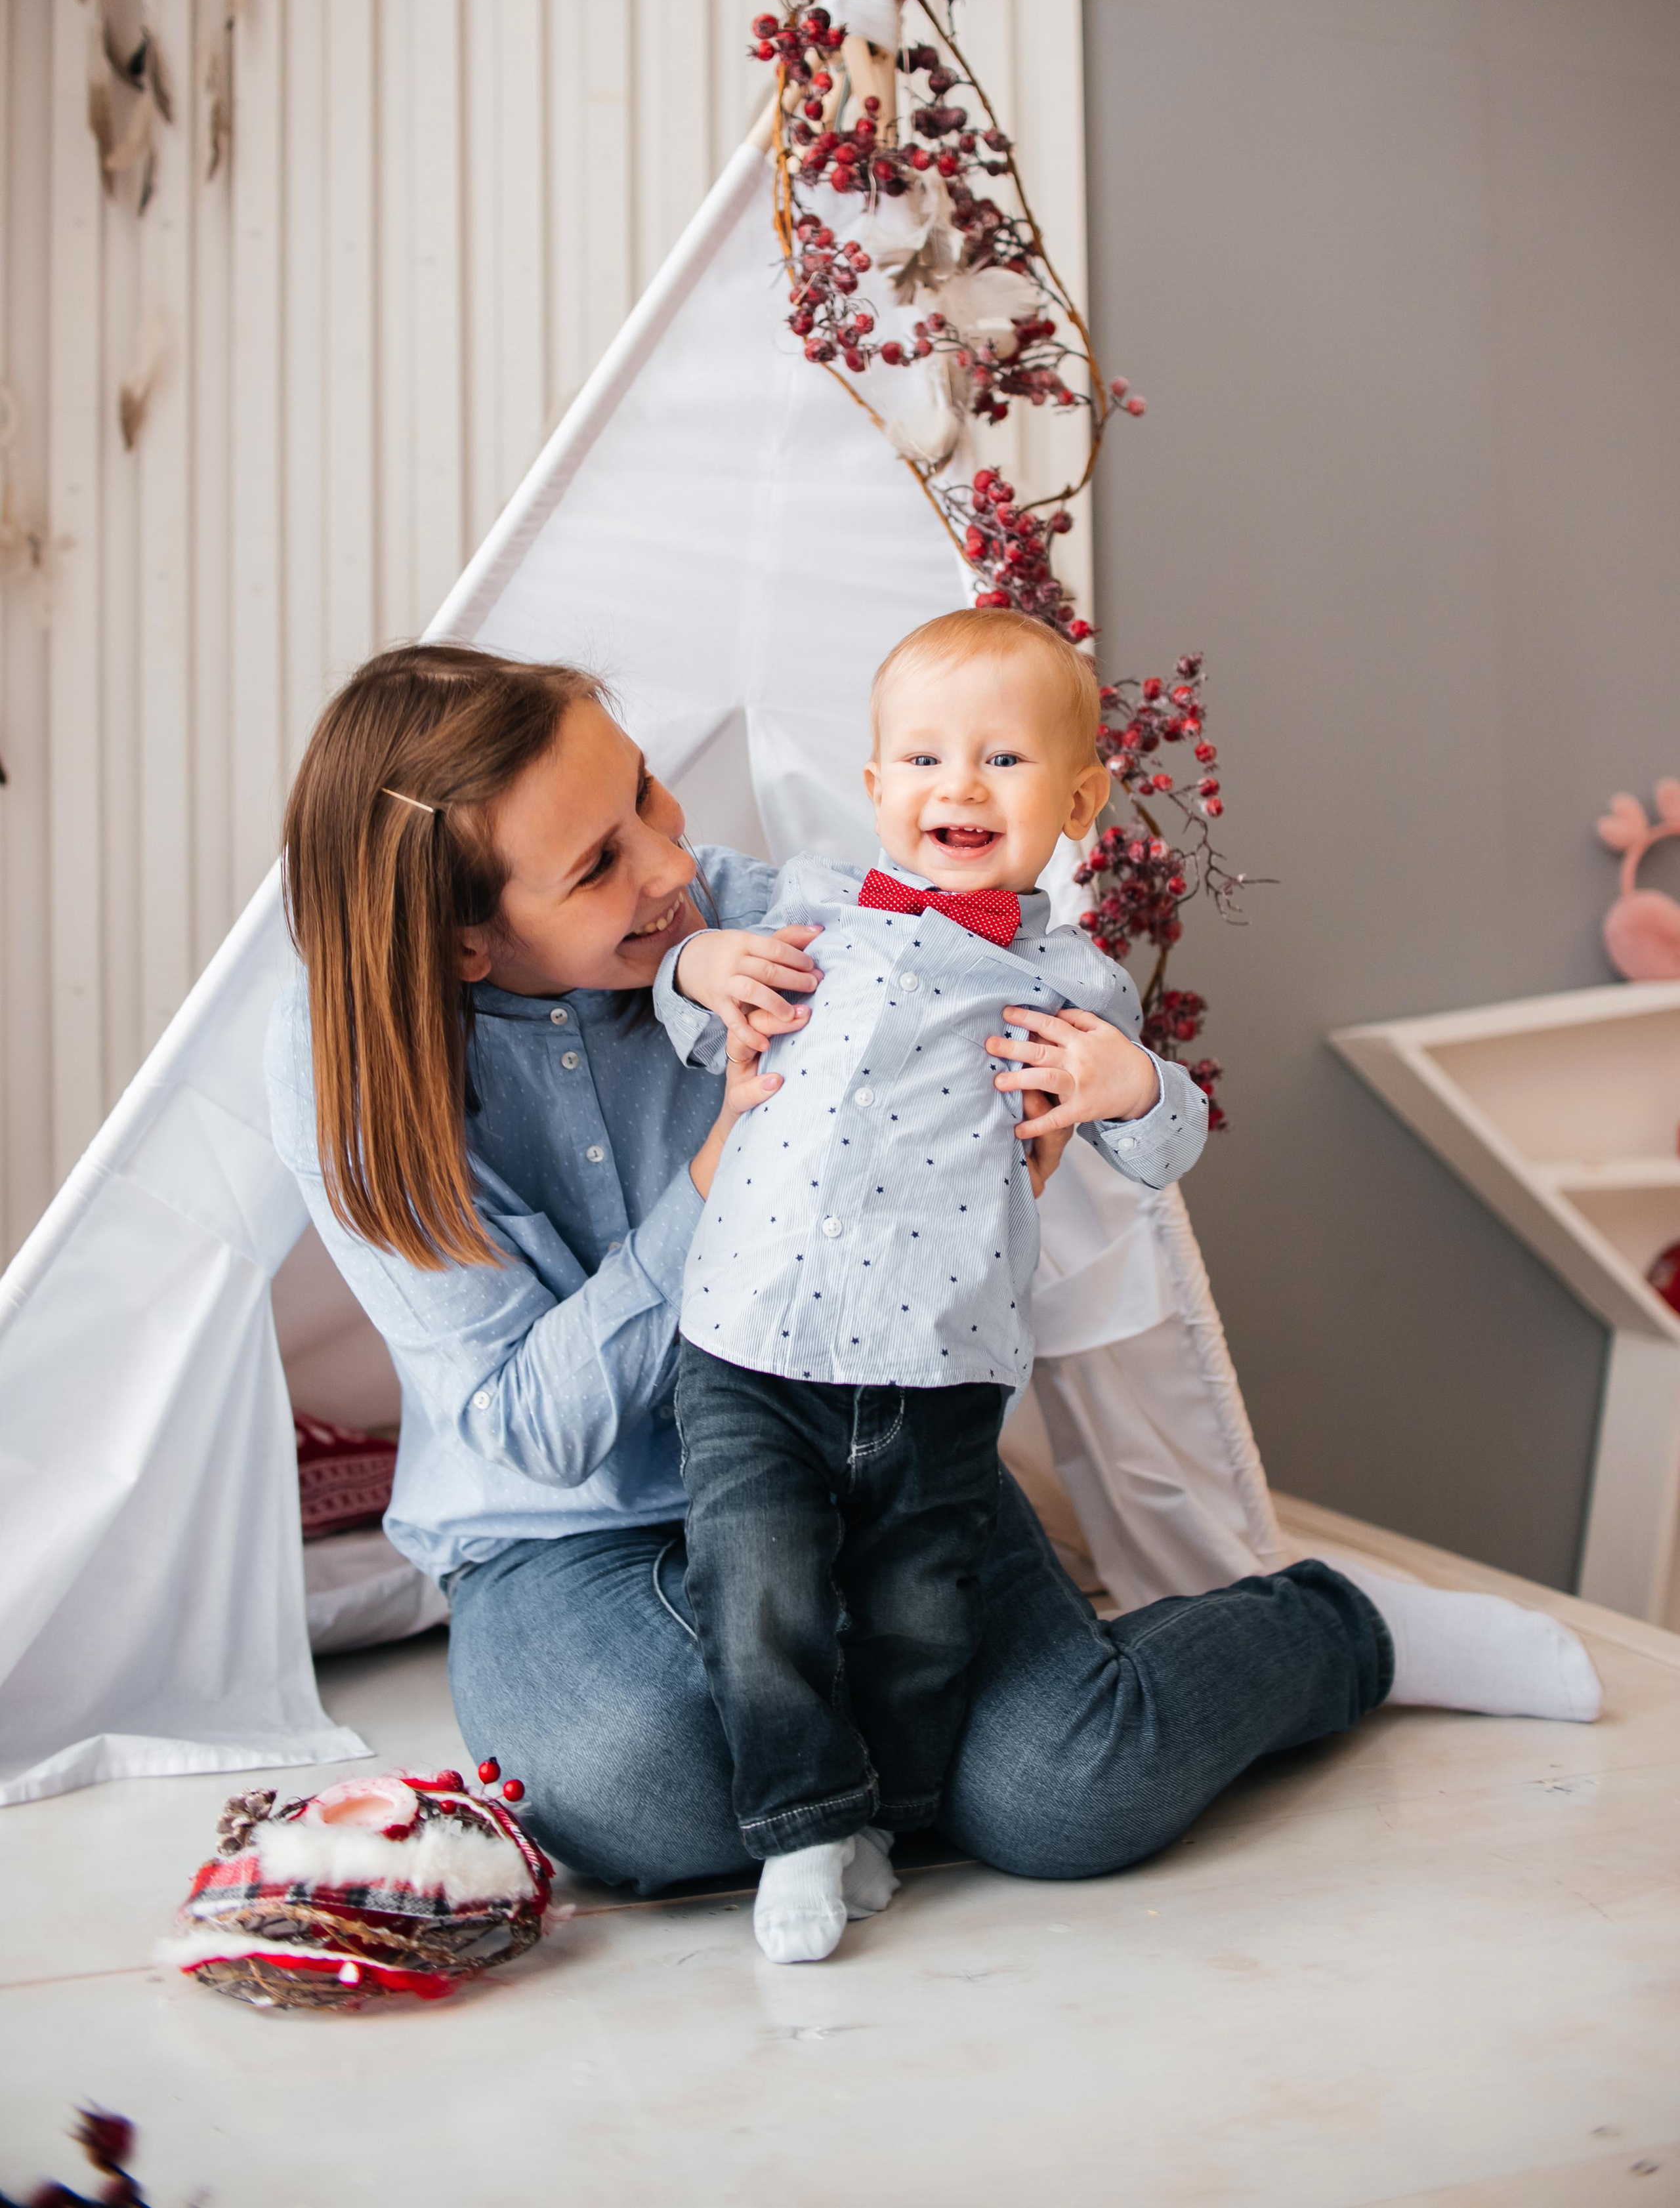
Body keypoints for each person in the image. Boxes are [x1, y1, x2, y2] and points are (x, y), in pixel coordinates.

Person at [266, 642, 1603, 1933]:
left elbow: (992, 967)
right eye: (598, 863)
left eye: (643, 793)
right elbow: (532, 1434)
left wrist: (1068, 1086)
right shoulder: (350, 1071)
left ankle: (1330, 1630)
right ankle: (892, 1744)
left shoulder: (773, 918)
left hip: (859, 1426)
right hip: (573, 1534)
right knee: (654, 1772)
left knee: (1070, 1794)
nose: (673, 862)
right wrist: (719, 1174)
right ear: (461, 946)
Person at [661, 610, 1209, 1961]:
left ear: (1078, 798)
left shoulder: (1072, 981)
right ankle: (797, 1825)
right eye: (921, 757)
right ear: (873, 787)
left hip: (938, 1358)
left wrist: (1123, 1084)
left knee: (918, 1613)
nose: (956, 786)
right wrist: (696, 966)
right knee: (758, 1589)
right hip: (751, 1339)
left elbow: (1158, 1144)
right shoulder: (805, 905)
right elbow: (687, 1003)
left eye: (1003, 760)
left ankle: (883, 1818)